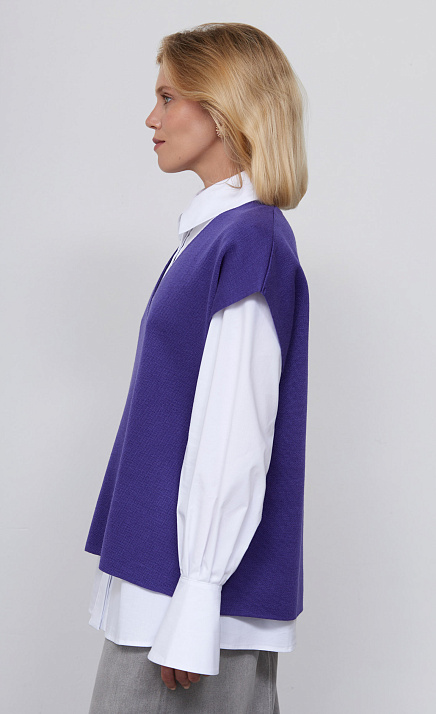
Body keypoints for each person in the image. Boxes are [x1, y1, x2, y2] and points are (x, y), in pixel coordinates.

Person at [85, 21, 309, 714]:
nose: (151, 119)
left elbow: (236, 431)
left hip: (182, 602)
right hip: (169, 589)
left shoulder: (248, 242)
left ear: (220, 108)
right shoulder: (217, 236)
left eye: (167, 97)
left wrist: (199, 594)